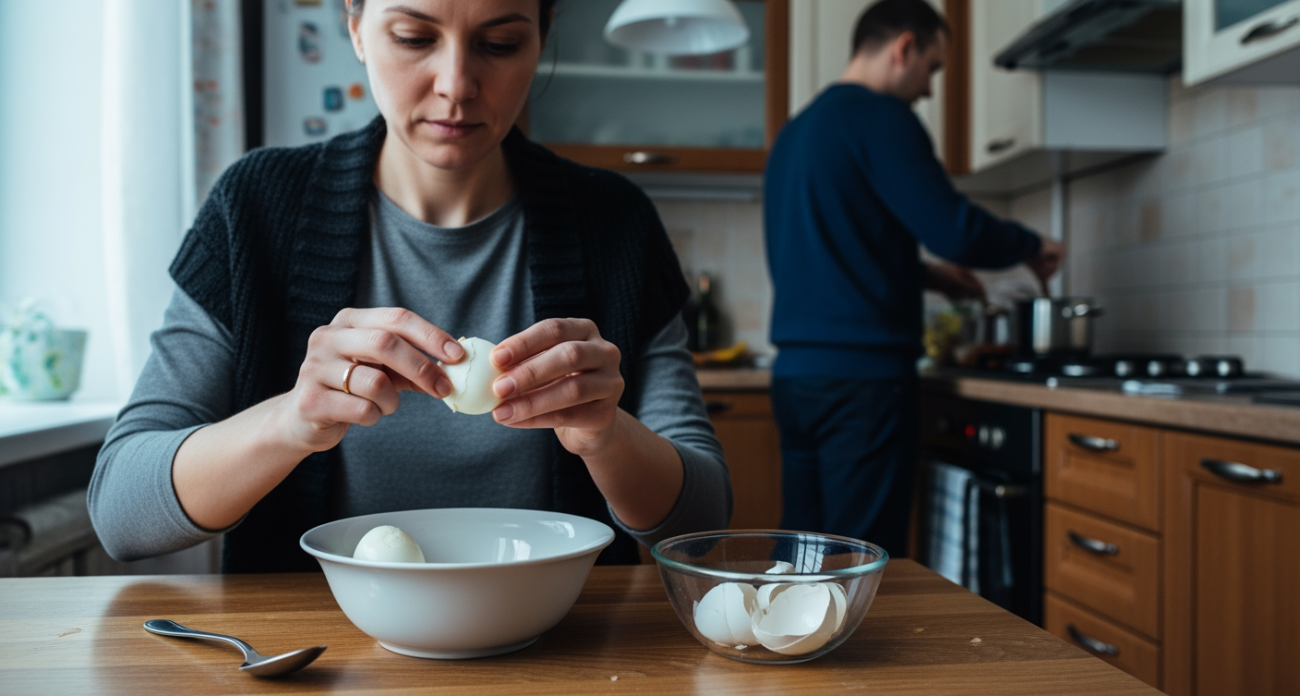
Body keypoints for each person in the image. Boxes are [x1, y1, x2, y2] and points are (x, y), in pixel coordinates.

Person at [88, 0, 730, 572]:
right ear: (356, 26)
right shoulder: (255, 208)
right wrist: (292, 419)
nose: (456, 86)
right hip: (316, 658)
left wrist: (608, 437)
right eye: (414, 38)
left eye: (500, 44)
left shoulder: (616, 223)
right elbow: (119, 510)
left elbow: (704, 522)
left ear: (543, 35)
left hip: (562, 654)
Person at [763, 0, 1062, 557]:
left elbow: (834, 251)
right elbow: (954, 229)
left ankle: (787, 644)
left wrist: (932, 279)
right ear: (904, 47)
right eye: (933, 69)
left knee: (803, 549)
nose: (928, 90)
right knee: (861, 557)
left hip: (797, 379)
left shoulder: (795, 135)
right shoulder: (881, 117)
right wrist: (1031, 245)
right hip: (864, 383)